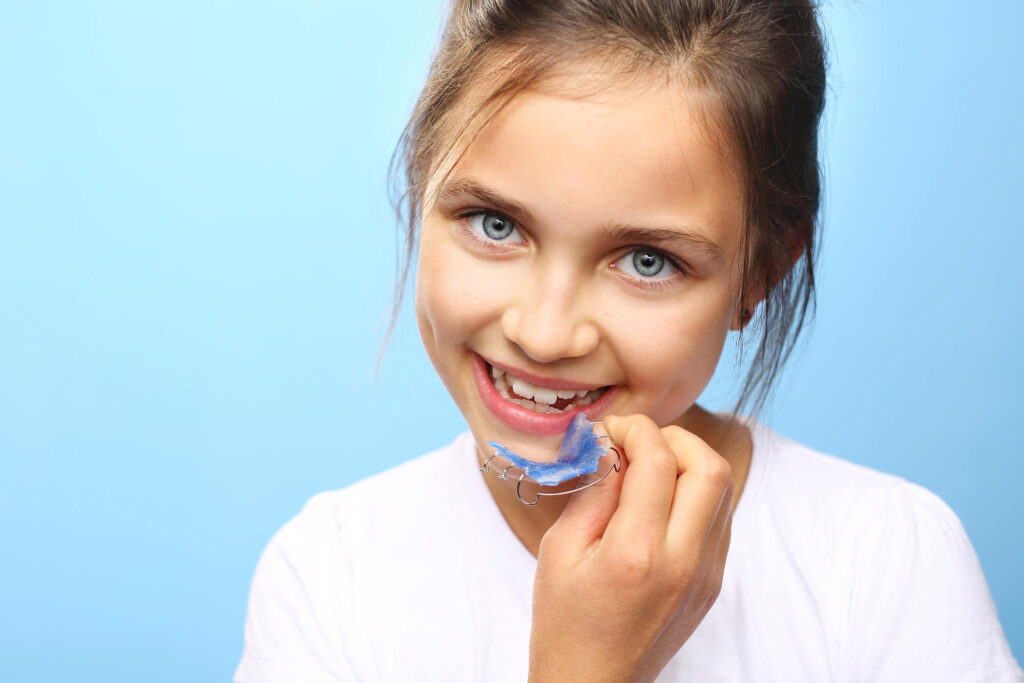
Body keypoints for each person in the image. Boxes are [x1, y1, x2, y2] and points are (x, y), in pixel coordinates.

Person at [235, 1, 1022, 680]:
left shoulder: (885, 564)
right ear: (420, 181)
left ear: (759, 275)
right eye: (495, 224)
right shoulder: (330, 577)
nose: (545, 333)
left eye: (648, 261)